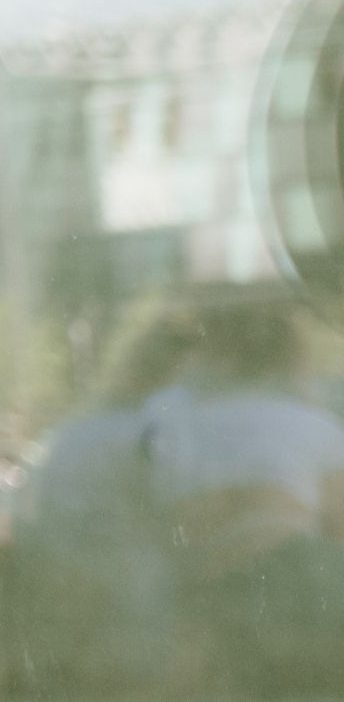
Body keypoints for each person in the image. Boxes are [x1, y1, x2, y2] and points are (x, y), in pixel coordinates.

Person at [153, 295, 344, 693]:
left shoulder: (185, 425)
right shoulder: (313, 422)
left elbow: (168, 518)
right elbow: (338, 526)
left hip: (213, 584)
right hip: (300, 574)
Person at [2, 309, 195, 695]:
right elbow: (182, 520)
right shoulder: (149, 433)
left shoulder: (76, 433)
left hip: (70, 620)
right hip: (135, 619)